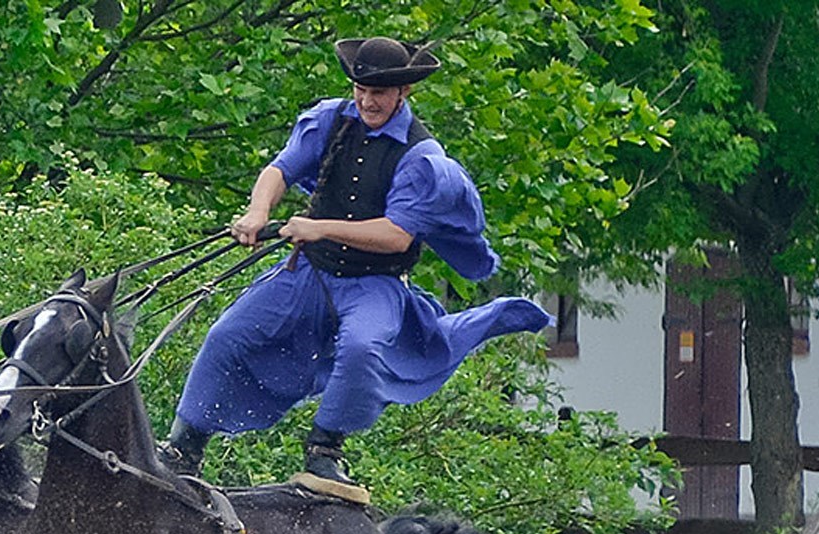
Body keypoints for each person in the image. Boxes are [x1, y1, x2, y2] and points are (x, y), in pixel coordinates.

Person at [163, 36, 551, 486]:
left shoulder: (421, 157)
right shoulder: (329, 119)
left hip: (376, 285)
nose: (367, 100)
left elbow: (395, 235)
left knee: (364, 348)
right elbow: (280, 169)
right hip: (308, 272)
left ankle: (325, 449)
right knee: (227, 334)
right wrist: (258, 211)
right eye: (360, 90)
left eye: (379, 93)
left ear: (404, 93)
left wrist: (318, 226)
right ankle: (185, 445)